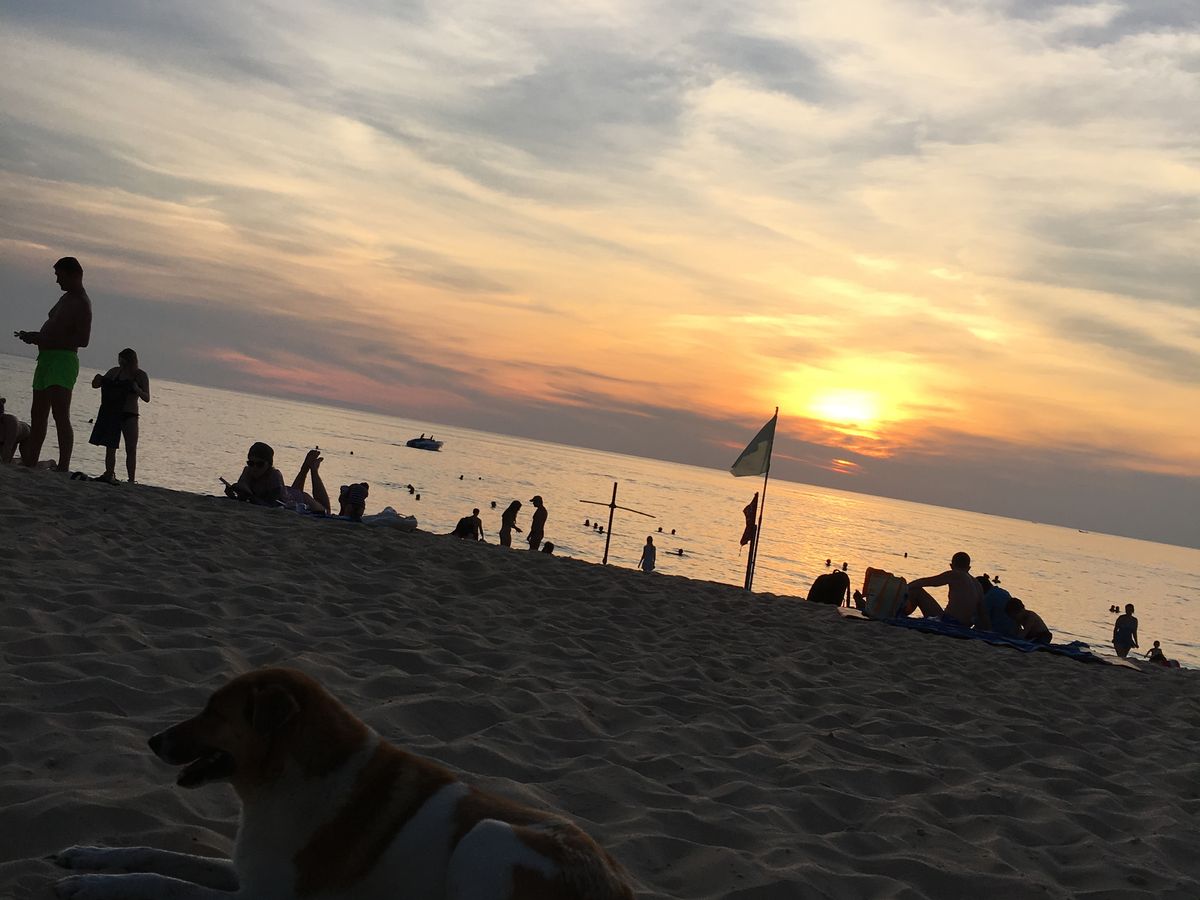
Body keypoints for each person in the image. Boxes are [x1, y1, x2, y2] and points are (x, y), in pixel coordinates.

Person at [15, 257, 93, 471]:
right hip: (46, 358)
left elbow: (83, 340)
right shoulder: (65, 298)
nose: (57, 281)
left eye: (60, 276)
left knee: (60, 414)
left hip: (63, 360)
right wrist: (35, 337)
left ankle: (63, 465)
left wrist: (44, 339)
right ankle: (31, 460)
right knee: (38, 413)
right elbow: (56, 328)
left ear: (74, 275)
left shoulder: (82, 302)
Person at [88, 348, 150, 482]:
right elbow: (96, 385)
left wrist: (137, 389)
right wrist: (97, 379)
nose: (122, 365)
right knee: (110, 446)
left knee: (131, 448)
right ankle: (109, 473)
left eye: (124, 362)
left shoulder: (140, 375)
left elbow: (147, 397)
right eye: (120, 361)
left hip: (130, 414)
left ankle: (131, 479)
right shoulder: (114, 372)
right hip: (112, 413)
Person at [225, 445, 331, 514]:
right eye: (251, 463)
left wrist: (250, 496)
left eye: (260, 464)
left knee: (326, 511)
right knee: (295, 490)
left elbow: (272, 505)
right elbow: (243, 492)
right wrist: (234, 492)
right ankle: (305, 467)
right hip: (288, 493)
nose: (255, 468)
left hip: (297, 499)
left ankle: (313, 469)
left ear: (269, 465)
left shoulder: (274, 475)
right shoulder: (247, 471)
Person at [905, 551, 990, 630]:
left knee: (917, 591)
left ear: (951, 566)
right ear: (969, 568)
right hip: (965, 626)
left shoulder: (955, 574)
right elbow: (982, 613)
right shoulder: (978, 584)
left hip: (949, 622)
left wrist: (905, 587)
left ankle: (901, 614)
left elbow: (926, 582)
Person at [0, 397, 32, 465]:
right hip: (10, 438)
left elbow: (7, 448)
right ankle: (18, 460)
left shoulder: (11, 422)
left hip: (26, 435)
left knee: (28, 462)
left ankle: (50, 463)